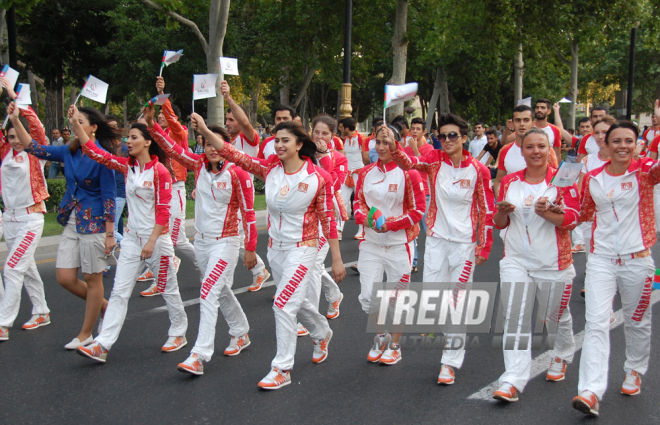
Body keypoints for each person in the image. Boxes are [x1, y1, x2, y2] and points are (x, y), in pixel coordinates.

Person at [197, 115, 345, 389]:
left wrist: (336, 259)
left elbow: (329, 221)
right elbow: (234, 154)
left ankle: (282, 368)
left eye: (285, 140)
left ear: (300, 144)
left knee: (282, 304)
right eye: (276, 140)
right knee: (296, 303)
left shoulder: (318, 178)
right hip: (276, 250)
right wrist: (205, 130)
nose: (278, 145)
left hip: (304, 249)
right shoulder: (270, 170)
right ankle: (322, 331)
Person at [142, 106, 256, 376]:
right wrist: (152, 126)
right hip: (202, 243)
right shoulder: (197, 165)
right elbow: (171, 148)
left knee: (207, 292)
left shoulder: (237, 173)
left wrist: (249, 249)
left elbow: (249, 214)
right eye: (206, 143)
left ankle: (199, 354)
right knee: (219, 290)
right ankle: (241, 331)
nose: (211, 148)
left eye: (216, 143)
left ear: (225, 146)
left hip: (225, 243)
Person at [73, 105, 188, 363]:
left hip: (157, 240)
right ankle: (102, 344)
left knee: (169, 288)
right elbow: (95, 152)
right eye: (128, 138)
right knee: (119, 291)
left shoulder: (161, 172)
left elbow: (162, 212)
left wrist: (151, 241)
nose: (128, 142)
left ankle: (179, 332)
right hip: (134, 239)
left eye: (134, 137)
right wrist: (76, 125)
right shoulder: (128, 167)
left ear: (148, 142)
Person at [390, 113, 494, 382]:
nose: (446, 140)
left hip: (464, 245)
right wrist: (393, 145)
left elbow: (487, 210)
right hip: (436, 239)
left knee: (458, 300)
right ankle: (449, 336)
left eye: (453, 136)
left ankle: (449, 361)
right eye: (442, 136)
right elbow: (409, 162)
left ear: (464, 138)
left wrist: (484, 245)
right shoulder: (435, 161)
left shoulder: (478, 171)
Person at [572, 119, 660, 417]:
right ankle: (590, 391)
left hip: (638, 260)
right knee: (596, 322)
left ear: (637, 145)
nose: (623, 146)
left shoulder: (645, 171)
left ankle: (634, 369)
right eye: (617, 141)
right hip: (601, 259)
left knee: (638, 321)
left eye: (629, 141)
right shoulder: (593, 176)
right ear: (605, 146)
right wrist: (558, 210)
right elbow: (583, 211)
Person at [12, 104, 118, 349]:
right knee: (65, 277)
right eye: (75, 121)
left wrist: (110, 233)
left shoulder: (102, 155)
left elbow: (110, 195)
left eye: (81, 122)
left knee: (93, 279)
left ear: (93, 128)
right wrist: (16, 120)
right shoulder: (68, 152)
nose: (76, 124)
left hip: (95, 222)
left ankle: (86, 334)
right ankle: (105, 307)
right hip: (71, 218)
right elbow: (34, 147)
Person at [491, 127, 578, 403]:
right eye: (530, 147)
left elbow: (573, 219)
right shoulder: (510, 182)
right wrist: (501, 213)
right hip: (515, 259)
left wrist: (548, 213)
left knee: (553, 317)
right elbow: (500, 223)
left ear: (550, 148)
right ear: (522, 150)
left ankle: (562, 353)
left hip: (553, 262)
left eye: (541, 146)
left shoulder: (562, 179)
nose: (536, 152)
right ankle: (512, 379)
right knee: (514, 318)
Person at [354, 125, 425, 365]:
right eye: (378, 142)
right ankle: (381, 335)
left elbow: (418, 211)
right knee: (367, 297)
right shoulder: (365, 173)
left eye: (387, 141)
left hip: (399, 245)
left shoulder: (409, 173)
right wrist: (365, 219)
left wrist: (392, 225)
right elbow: (358, 204)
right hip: (371, 244)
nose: (382, 147)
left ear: (397, 143)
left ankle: (395, 346)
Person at [139, 76, 200, 294]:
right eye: (161, 115)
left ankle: (165, 275)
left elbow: (173, 121)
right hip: (160, 190)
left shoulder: (179, 133)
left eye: (166, 115)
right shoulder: (158, 135)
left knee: (172, 239)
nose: (163, 118)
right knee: (174, 239)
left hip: (176, 189)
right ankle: (194, 266)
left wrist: (162, 96)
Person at [0, 101, 51, 341]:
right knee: (26, 268)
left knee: (11, 268)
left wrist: (17, 104)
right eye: (10, 137)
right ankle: (41, 311)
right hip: (9, 218)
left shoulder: (35, 153)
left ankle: (3, 323)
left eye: (18, 135)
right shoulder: (4, 153)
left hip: (31, 218)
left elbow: (38, 128)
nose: (15, 140)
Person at [220, 81, 271, 291]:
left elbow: (245, 122)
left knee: (235, 240)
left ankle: (259, 270)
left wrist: (228, 98)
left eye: (232, 119)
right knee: (228, 239)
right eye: (226, 119)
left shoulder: (249, 139)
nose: (228, 122)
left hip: (243, 197)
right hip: (225, 198)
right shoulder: (225, 143)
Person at [576, 115, 616, 297]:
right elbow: (581, 187)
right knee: (592, 253)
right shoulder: (588, 160)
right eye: (597, 133)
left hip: (615, 217)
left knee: (613, 254)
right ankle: (591, 283)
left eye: (605, 132)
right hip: (591, 217)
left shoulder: (622, 158)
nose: (600, 137)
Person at [494, 105, 558, 197]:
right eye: (518, 120)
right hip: (513, 208)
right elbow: (499, 181)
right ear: (512, 124)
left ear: (533, 123)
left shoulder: (546, 151)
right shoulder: (505, 150)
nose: (522, 124)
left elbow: (555, 180)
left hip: (541, 207)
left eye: (526, 120)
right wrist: (502, 202)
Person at [405, 117, 435, 273]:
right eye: (413, 128)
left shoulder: (429, 149)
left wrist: (416, 149)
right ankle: (413, 262)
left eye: (418, 129)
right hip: (411, 195)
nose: (414, 131)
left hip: (426, 195)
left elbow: (425, 167)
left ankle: (434, 262)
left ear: (424, 132)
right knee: (411, 230)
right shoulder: (406, 148)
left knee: (428, 230)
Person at [338, 117, 365, 240]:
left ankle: (362, 230)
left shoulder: (361, 139)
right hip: (347, 175)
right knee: (341, 201)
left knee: (360, 201)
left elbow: (365, 157)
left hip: (359, 174)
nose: (340, 129)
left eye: (341, 127)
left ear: (347, 128)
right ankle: (338, 229)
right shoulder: (345, 140)